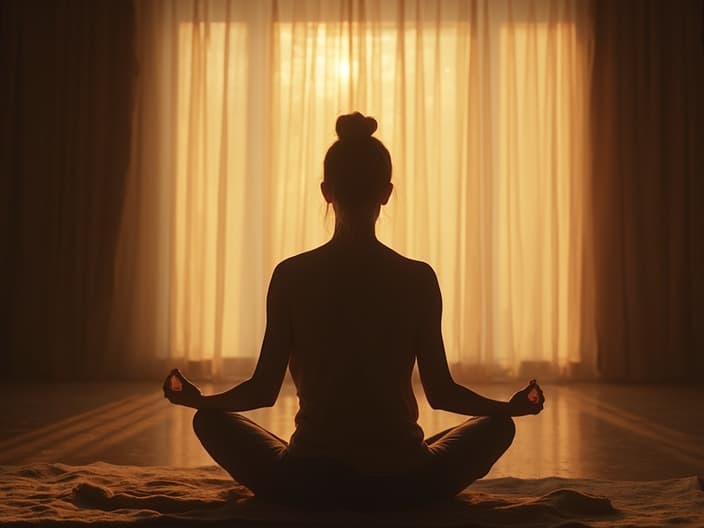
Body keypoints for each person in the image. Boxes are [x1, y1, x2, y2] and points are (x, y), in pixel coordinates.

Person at [163, 112, 545, 510]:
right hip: (405, 483)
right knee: (496, 427)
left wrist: (198, 401)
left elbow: (262, 390)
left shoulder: (292, 275)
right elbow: (441, 392)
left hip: (307, 483)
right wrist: (509, 409)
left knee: (209, 420)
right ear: (387, 192)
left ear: (326, 191)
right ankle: (406, 458)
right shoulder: (417, 278)